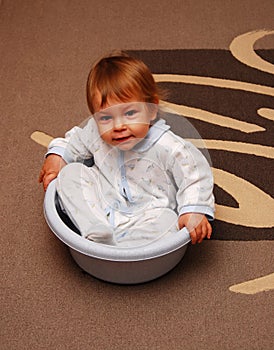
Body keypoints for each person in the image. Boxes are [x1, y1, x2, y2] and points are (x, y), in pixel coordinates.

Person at [39, 52, 215, 247]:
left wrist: (193, 210)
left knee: (167, 220)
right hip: (102, 206)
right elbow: (74, 141)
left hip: (150, 214)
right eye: (106, 118)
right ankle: (94, 230)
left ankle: (125, 250)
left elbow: (196, 174)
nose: (118, 126)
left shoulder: (168, 146)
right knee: (71, 174)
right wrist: (57, 157)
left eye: (130, 113)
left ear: (151, 109)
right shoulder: (95, 133)